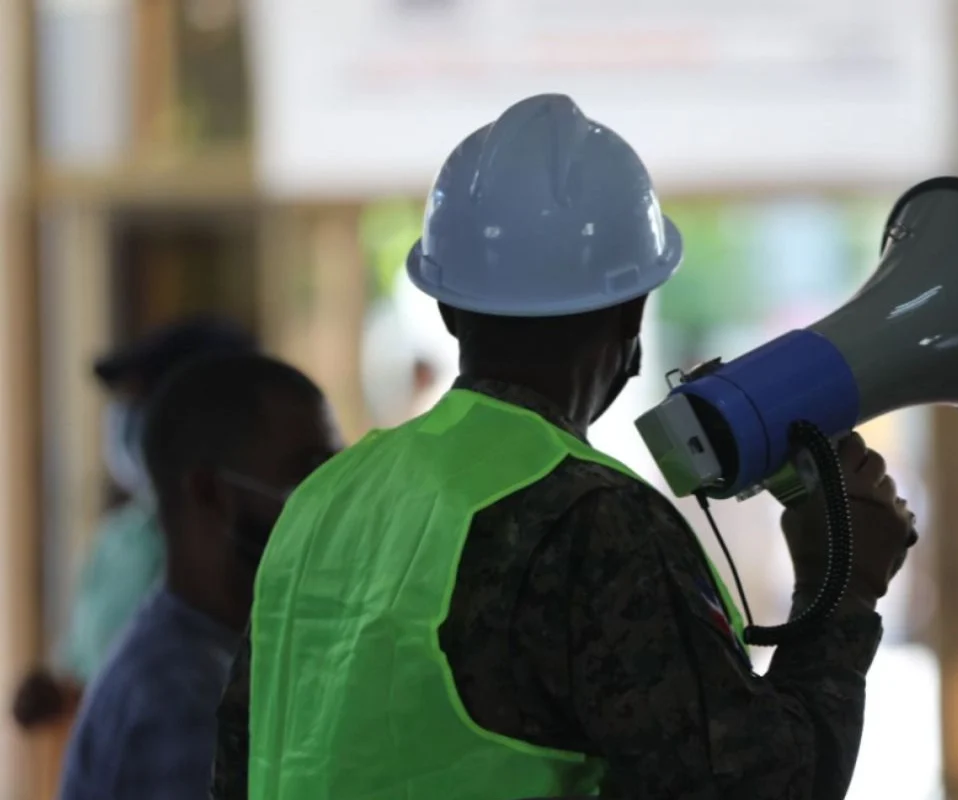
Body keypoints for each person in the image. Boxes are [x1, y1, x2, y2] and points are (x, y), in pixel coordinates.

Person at [216, 94, 916, 799]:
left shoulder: (323, 501)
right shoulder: (593, 521)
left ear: (448, 307)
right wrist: (843, 583)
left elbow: (240, 763)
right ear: (633, 313)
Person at [58, 353, 342, 800]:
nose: (333, 502)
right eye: (307, 475)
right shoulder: (178, 700)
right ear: (210, 494)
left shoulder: (224, 656)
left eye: (337, 473)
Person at [12, 317, 256, 731]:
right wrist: (55, 697)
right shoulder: (119, 542)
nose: (123, 421)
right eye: (123, 405)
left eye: (139, 403)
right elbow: (82, 674)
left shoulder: (247, 543)